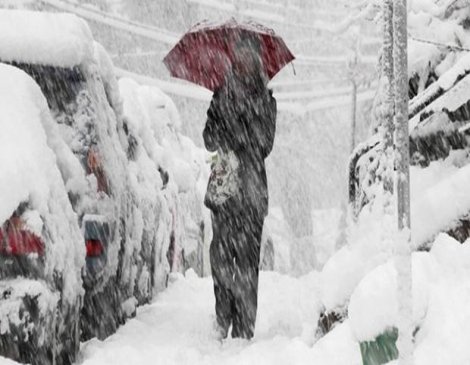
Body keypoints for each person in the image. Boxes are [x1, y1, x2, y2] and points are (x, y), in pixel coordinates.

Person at [203, 35, 277, 340]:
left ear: (257, 60)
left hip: (251, 193)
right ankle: (223, 318)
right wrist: (223, 130)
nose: (245, 60)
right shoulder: (220, 95)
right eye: (240, 54)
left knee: (247, 263)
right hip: (224, 190)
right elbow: (208, 138)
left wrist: (247, 125)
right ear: (235, 58)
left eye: (250, 55)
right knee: (221, 259)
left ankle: (245, 328)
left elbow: (266, 144)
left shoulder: (267, 100)